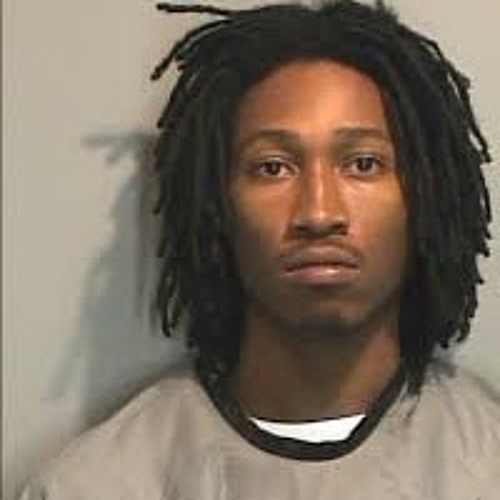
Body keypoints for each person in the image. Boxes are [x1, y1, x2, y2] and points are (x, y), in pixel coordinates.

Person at [21, 1, 500, 498]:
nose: (319, 213)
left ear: (428, 195)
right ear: (215, 204)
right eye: (273, 167)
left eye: (362, 163)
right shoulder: (94, 485)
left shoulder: (485, 470)